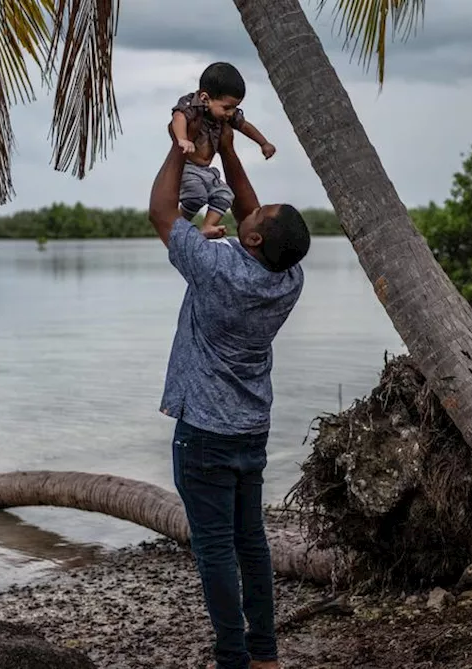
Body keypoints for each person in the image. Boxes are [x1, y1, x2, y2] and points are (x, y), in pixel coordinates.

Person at [148, 120, 310, 669]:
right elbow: (250, 214)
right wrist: (234, 152)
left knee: (215, 548)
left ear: (256, 239)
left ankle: (233, 657)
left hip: (205, 437)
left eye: (260, 217)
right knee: (252, 544)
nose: (253, 209)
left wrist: (180, 148)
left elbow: (163, 215)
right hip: (251, 430)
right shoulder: (289, 278)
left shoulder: (216, 268)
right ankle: (264, 653)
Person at [171, 62, 276, 237]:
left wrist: (263, 143)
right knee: (196, 197)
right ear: (205, 98)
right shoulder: (191, 106)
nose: (231, 113)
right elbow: (178, 117)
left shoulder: (225, 114)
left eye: (235, 108)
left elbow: (244, 125)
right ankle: (179, 223)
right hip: (189, 167)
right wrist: (182, 138)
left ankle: (207, 226)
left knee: (225, 195)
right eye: (227, 108)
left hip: (207, 170)